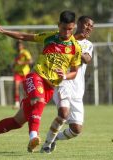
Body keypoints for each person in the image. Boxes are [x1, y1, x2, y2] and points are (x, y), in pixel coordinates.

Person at [0, 10, 82, 153]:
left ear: (74, 27)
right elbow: (24, 36)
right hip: (36, 76)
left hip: (50, 87)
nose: (66, 32)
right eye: (64, 28)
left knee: (16, 122)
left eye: (70, 29)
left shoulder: (75, 48)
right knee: (37, 101)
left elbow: (75, 72)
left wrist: (64, 75)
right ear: (59, 25)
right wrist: (3, 31)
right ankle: (33, 137)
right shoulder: (50, 37)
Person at [41, 16, 94, 154]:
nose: (89, 28)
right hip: (63, 83)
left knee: (76, 129)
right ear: (78, 24)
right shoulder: (63, 39)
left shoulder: (88, 44)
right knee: (63, 113)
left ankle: (53, 139)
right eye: (86, 24)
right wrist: (73, 38)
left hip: (77, 90)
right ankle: (46, 146)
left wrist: (75, 42)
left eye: (91, 26)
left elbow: (87, 59)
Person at [12, 40, 33, 109]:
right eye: (17, 45)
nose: (19, 46)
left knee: (25, 89)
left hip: (25, 73)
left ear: (22, 46)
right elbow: (15, 63)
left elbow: (30, 61)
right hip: (17, 73)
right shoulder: (16, 53)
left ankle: (25, 102)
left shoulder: (25, 52)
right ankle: (16, 102)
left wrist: (22, 63)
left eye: (20, 45)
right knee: (16, 87)